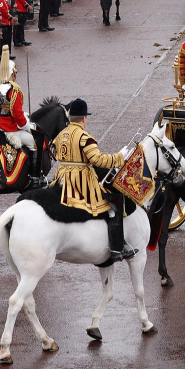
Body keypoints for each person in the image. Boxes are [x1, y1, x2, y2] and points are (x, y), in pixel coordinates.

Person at [51, 98, 134, 262]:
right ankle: (117, 248)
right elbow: (98, 160)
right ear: (83, 118)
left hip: (61, 176)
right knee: (112, 206)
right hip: (79, 179)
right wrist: (120, 157)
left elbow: (56, 153)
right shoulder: (84, 137)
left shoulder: (61, 134)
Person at [0, 47, 45, 187]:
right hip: (9, 128)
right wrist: (27, 125)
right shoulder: (14, 90)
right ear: (12, 74)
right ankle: (35, 177)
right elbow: (18, 117)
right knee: (34, 143)